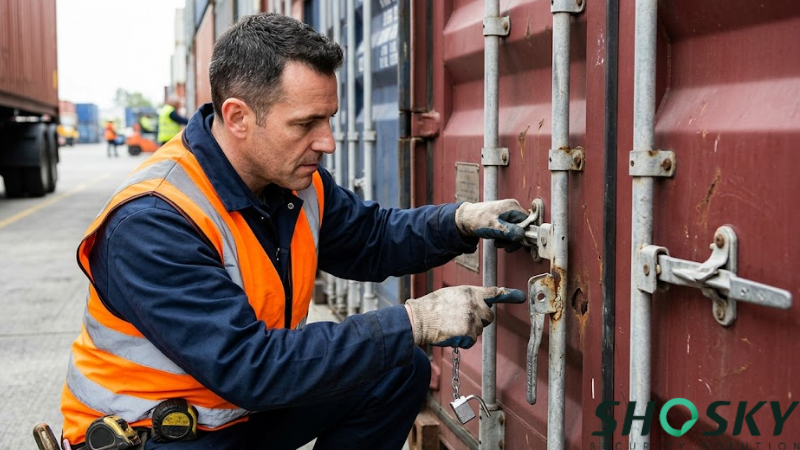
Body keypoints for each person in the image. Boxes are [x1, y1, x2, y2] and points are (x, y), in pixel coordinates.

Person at [60, 13, 531, 450]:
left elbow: (372, 238)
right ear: (238, 117)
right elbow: (249, 366)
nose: (326, 142)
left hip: (236, 414)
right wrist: (413, 321)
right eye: (306, 123)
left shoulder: (289, 182)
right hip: (158, 435)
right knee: (392, 344)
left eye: (328, 120)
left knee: (396, 369)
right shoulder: (152, 222)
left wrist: (459, 221)